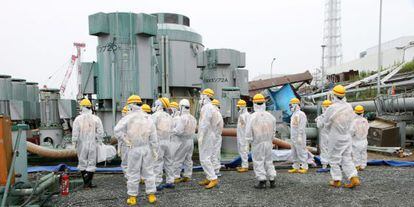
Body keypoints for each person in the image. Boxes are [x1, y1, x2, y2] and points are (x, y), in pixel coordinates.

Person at [114, 101, 158, 205]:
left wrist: (125, 140)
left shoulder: (128, 117)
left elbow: (116, 130)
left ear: (131, 105)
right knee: (149, 172)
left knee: (133, 172)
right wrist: (155, 149)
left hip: (134, 148)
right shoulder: (148, 118)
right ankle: (151, 195)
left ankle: (133, 197)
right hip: (146, 148)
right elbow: (153, 135)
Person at [323, 85, 360, 188]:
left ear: (334, 95)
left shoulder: (331, 108)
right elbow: (352, 121)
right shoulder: (349, 106)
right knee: (346, 158)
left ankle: (336, 180)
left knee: (334, 159)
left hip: (336, 137)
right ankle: (353, 177)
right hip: (346, 136)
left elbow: (326, 124)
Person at [245, 94, 277, 189]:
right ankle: (272, 180)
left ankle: (262, 181)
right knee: (269, 161)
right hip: (268, 142)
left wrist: (248, 143)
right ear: (264, 103)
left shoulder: (252, 117)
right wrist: (270, 139)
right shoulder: (271, 116)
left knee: (258, 161)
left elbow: (248, 132)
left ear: (254, 103)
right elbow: (274, 131)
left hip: (257, 143)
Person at [72, 98, 104, 188]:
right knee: (91, 162)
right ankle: (88, 183)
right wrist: (99, 140)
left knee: (82, 162)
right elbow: (100, 132)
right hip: (92, 143)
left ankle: (85, 182)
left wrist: (74, 142)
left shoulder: (78, 119)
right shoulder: (96, 118)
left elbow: (75, 132)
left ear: (81, 107)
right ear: (90, 107)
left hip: (81, 144)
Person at [198, 88, 221, 189]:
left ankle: (213, 178)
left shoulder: (207, 108)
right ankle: (209, 177)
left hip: (207, 134)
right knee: (207, 157)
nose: (201, 98)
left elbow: (205, 122)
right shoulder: (211, 107)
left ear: (206, 96)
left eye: (202, 96)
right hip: (210, 134)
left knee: (204, 158)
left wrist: (201, 135)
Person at [116, 95, 143, 176]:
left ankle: (130, 178)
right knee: (134, 162)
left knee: (128, 163)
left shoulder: (127, 119)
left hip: (129, 145)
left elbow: (117, 132)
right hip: (135, 144)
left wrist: (124, 141)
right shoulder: (143, 117)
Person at [151, 97, 175, 190]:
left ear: (158, 105)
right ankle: (170, 181)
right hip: (168, 141)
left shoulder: (155, 116)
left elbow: (151, 129)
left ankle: (157, 183)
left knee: (158, 162)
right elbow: (172, 129)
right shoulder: (168, 116)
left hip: (159, 141)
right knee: (169, 162)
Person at [172, 99, 197, 183]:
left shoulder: (182, 118)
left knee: (178, 158)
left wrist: (171, 130)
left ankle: (176, 176)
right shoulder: (193, 118)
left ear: (181, 107)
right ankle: (187, 175)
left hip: (183, 141)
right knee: (188, 159)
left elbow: (179, 131)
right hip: (191, 141)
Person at [288, 98, 309, 174]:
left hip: (299, 137)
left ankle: (304, 166)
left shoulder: (301, 114)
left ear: (295, 105)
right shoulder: (293, 115)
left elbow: (302, 126)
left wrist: (300, 135)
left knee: (301, 151)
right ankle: (295, 167)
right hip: (294, 137)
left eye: (291, 105)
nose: (290, 107)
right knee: (294, 152)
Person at [315, 100, 332, 173]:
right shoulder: (334, 116)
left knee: (324, 150)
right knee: (332, 150)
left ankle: (324, 166)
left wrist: (318, 119)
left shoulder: (322, 116)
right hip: (332, 135)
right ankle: (333, 166)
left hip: (325, 136)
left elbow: (319, 125)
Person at [350, 105, 369, 171]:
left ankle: (357, 165)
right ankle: (363, 165)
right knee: (363, 153)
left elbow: (352, 132)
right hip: (364, 140)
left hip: (356, 140)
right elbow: (367, 129)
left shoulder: (354, 122)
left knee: (356, 154)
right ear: (362, 112)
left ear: (355, 112)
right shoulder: (365, 120)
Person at [236, 99, 250, 173]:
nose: (238, 108)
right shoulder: (242, 115)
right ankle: (243, 165)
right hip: (241, 136)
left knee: (244, 151)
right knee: (242, 151)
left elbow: (248, 127)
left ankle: (245, 166)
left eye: (239, 107)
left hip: (244, 136)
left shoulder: (246, 115)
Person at [211, 99, 224, 176]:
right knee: (216, 152)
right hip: (217, 136)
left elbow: (212, 126)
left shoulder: (215, 114)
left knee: (214, 153)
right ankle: (215, 169)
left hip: (214, 136)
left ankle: (215, 170)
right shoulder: (218, 114)